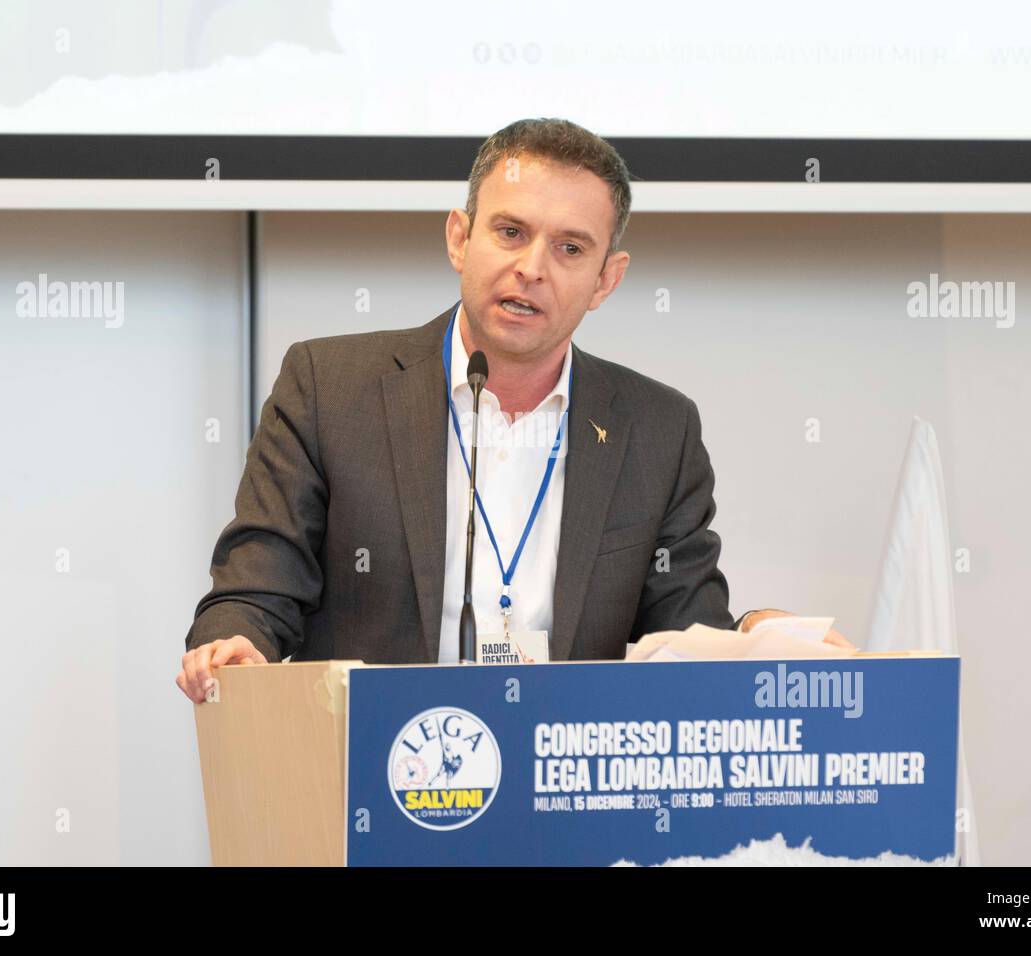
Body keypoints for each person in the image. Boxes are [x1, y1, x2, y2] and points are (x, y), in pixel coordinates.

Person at [177, 117, 851, 703]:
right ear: (459, 239)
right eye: (509, 231)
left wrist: (754, 632)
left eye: (569, 248)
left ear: (605, 280)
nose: (532, 267)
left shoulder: (658, 431)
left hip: (565, 795)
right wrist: (236, 645)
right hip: (369, 782)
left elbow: (679, 629)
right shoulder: (329, 389)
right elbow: (257, 589)